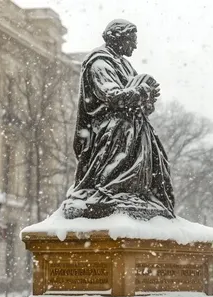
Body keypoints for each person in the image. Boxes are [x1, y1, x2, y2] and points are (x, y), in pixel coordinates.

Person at [63, 19, 175, 220]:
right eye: (132, 39)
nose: (135, 45)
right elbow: (112, 96)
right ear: (118, 38)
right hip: (109, 126)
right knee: (126, 130)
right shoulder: (100, 63)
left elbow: (138, 103)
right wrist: (141, 91)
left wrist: (148, 98)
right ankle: (112, 188)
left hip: (129, 122)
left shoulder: (124, 64)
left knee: (156, 150)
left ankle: (137, 191)